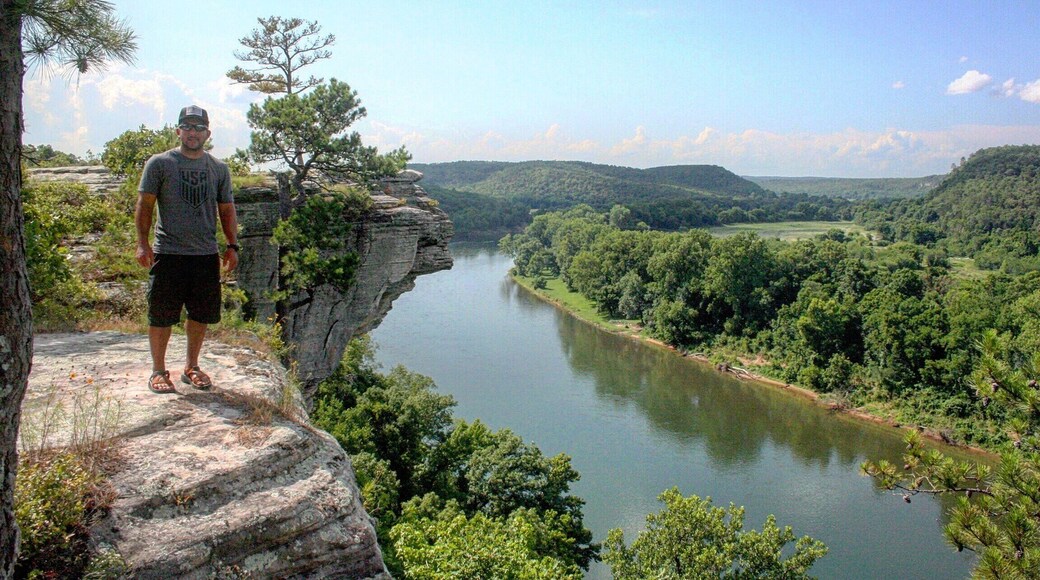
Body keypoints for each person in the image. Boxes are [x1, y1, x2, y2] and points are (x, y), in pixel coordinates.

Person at [135, 105, 239, 394]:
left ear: (207, 133)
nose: (193, 132)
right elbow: (145, 204)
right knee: (161, 314)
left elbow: (227, 209)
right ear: (178, 131)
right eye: (188, 127)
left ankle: (191, 366)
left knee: (200, 314)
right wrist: (142, 243)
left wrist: (232, 245)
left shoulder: (218, 168)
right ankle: (158, 371)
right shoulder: (159, 163)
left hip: (204, 254)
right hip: (168, 252)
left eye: (199, 127)